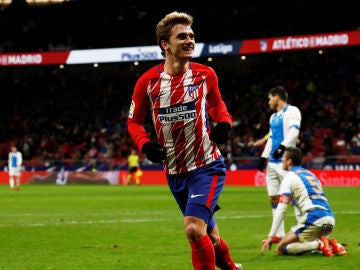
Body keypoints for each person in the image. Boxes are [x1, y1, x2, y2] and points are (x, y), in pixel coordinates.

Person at [127, 11, 242, 270]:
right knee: (209, 237)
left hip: (206, 166)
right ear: (165, 45)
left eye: (191, 35)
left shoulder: (205, 75)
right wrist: (144, 144)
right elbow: (134, 122)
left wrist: (224, 123)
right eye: (182, 36)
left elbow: (217, 105)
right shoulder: (147, 82)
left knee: (192, 228)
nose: (190, 40)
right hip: (175, 172)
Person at [261, 147, 347, 256]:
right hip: (329, 220)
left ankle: (318, 244)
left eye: (283, 157)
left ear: (289, 161)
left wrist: (271, 236)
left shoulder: (289, 178)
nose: (282, 160)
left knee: (281, 249)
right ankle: (332, 245)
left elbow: (281, 210)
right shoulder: (310, 174)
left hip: (314, 218)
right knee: (301, 242)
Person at [257, 86, 302, 243]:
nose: (269, 101)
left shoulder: (293, 111)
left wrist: (282, 147)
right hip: (272, 163)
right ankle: (280, 234)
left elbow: (294, 132)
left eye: (270, 98)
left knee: (296, 196)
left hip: (287, 162)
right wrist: (263, 156)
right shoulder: (273, 117)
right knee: (275, 198)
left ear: (277, 97)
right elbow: (271, 138)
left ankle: (302, 230)